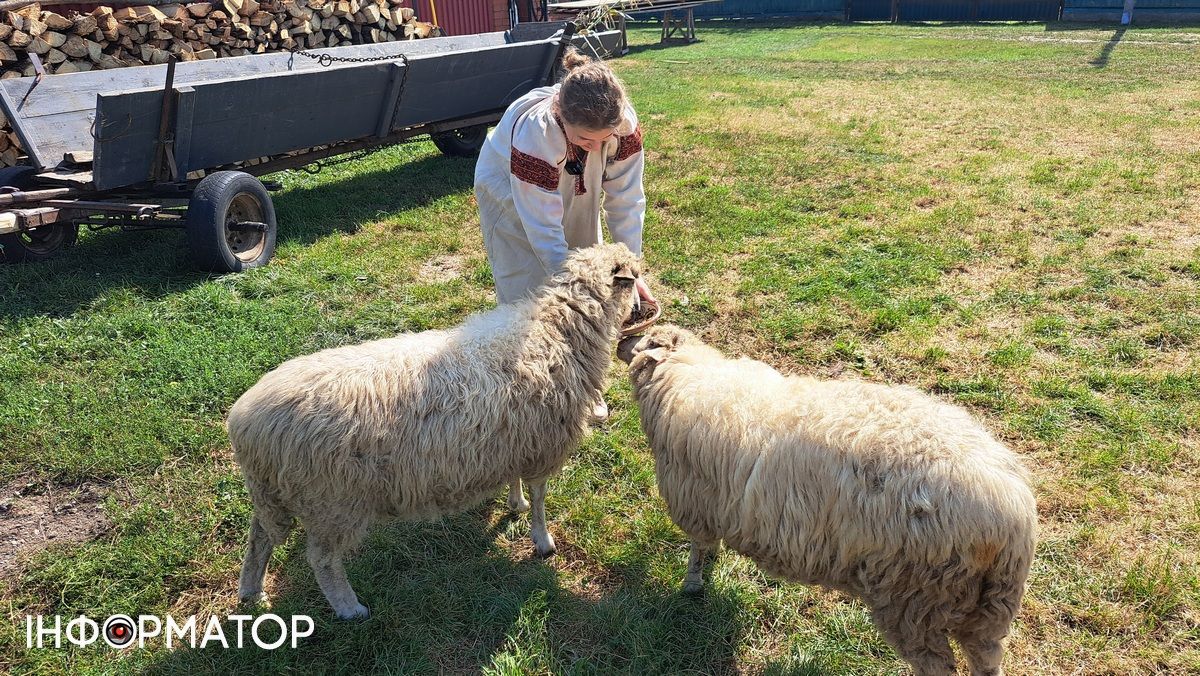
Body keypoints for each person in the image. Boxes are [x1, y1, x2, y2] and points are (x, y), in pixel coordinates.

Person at [474, 47, 654, 423]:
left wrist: (628, 274)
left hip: (575, 178)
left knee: (588, 253)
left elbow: (626, 201)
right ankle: (526, 384)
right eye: (586, 140)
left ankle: (583, 387)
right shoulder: (536, 134)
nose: (598, 147)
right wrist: (578, 287)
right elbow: (542, 229)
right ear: (561, 115)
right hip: (510, 191)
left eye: (604, 139)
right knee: (527, 284)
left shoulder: (620, 125)